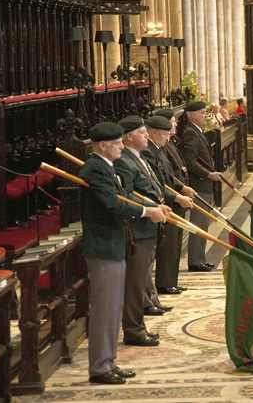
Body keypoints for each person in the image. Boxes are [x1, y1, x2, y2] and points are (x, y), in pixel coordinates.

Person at [80, 122, 166, 384]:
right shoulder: (95, 168)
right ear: (103, 145)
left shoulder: (106, 166)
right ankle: (100, 367)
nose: (121, 147)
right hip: (104, 246)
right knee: (105, 309)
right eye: (117, 143)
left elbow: (124, 197)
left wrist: (152, 207)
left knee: (114, 307)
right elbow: (112, 204)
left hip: (115, 245)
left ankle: (109, 361)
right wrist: (146, 212)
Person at [114, 116, 171, 346]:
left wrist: (157, 205)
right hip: (137, 230)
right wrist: (150, 209)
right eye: (142, 132)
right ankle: (134, 331)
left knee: (141, 281)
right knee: (135, 284)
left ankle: (138, 327)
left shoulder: (137, 158)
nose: (147, 135)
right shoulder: (123, 162)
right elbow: (126, 197)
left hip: (150, 226)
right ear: (129, 137)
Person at [151, 109, 196, 294]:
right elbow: (159, 179)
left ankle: (171, 281)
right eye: (171, 121)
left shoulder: (165, 145)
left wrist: (182, 188)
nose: (175, 124)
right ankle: (165, 282)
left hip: (176, 197)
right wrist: (177, 194)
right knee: (168, 246)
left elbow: (170, 173)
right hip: (167, 200)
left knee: (175, 244)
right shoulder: (152, 149)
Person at [182, 101, 223, 272]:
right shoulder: (190, 133)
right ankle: (196, 261)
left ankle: (200, 259)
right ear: (193, 115)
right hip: (199, 185)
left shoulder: (196, 132)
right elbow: (190, 161)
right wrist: (208, 174)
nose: (205, 116)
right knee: (198, 224)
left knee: (203, 223)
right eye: (202, 113)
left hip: (204, 186)